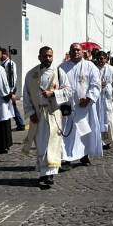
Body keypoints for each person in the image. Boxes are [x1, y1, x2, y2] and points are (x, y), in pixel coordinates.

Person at [23, 46, 72, 185]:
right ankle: (43, 172)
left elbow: (69, 91)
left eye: (50, 56)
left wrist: (54, 94)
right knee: (41, 144)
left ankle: (49, 174)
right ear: (39, 57)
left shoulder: (59, 72)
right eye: (45, 56)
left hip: (53, 113)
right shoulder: (31, 74)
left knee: (53, 143)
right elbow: (26, 95)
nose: (48, 58)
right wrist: (31, 112)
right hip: (38, 114)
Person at [60, 43, 102, 165]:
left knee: (84, 131)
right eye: (73, 50)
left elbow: (96, 84)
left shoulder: (90, 66)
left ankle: (84, 154)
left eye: (78, 50)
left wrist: (89, 98)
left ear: (83, 52)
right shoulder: (62, 67)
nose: (76, 52)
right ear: (70, 52)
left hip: (85, 106)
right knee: (68, 132)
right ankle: (67, 157)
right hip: (68, 106)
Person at [0, 50, 25, 131]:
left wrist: (11, 90)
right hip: (7, 89)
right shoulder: (4, 64)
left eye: (1, 54)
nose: (0, 56)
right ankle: (20, 124)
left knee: (12, 107)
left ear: (5, 55)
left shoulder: (10, 63)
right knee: (10, 107)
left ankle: (21, 124)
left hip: (10, 89)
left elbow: (13, 77)